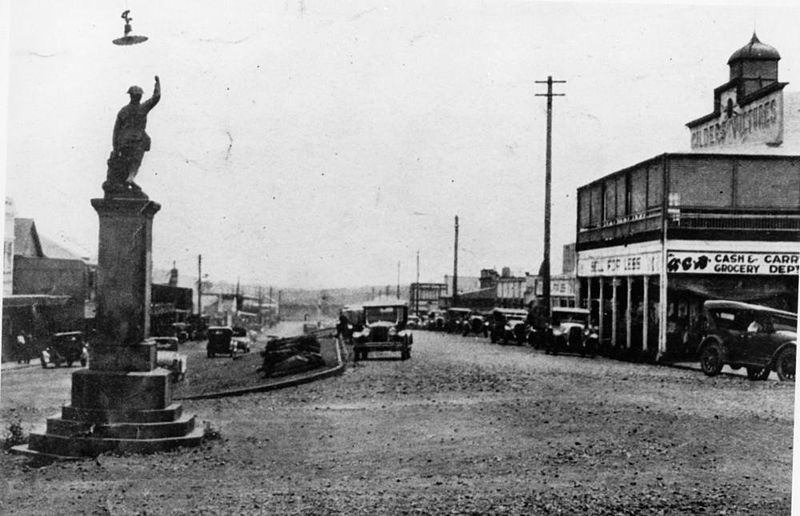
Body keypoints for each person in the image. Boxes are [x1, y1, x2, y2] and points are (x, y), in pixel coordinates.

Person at [105, 76, 161, 193]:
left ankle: (125, 181)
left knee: (124, 162)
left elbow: (116, 131)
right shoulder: (143, 108)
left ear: (130, 96)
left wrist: (115, 148)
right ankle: (130, 178)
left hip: (123, 142)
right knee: (136, 161)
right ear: (139, 97)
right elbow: (156, 97)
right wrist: (157, 84)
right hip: (138, 141)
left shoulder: (123, 111)